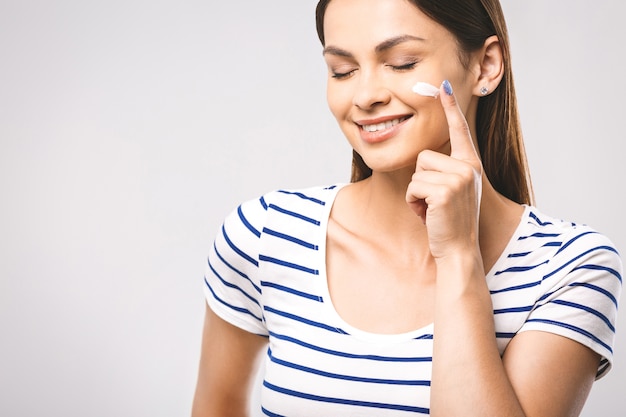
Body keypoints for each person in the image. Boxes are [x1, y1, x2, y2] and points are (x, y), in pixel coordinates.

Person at [192, 0, 622, 415]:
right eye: (342, 71)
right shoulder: (265, 235)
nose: (364, 95)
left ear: (486, 65)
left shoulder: (570, 268)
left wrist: (458, 257)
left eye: (401, 63)